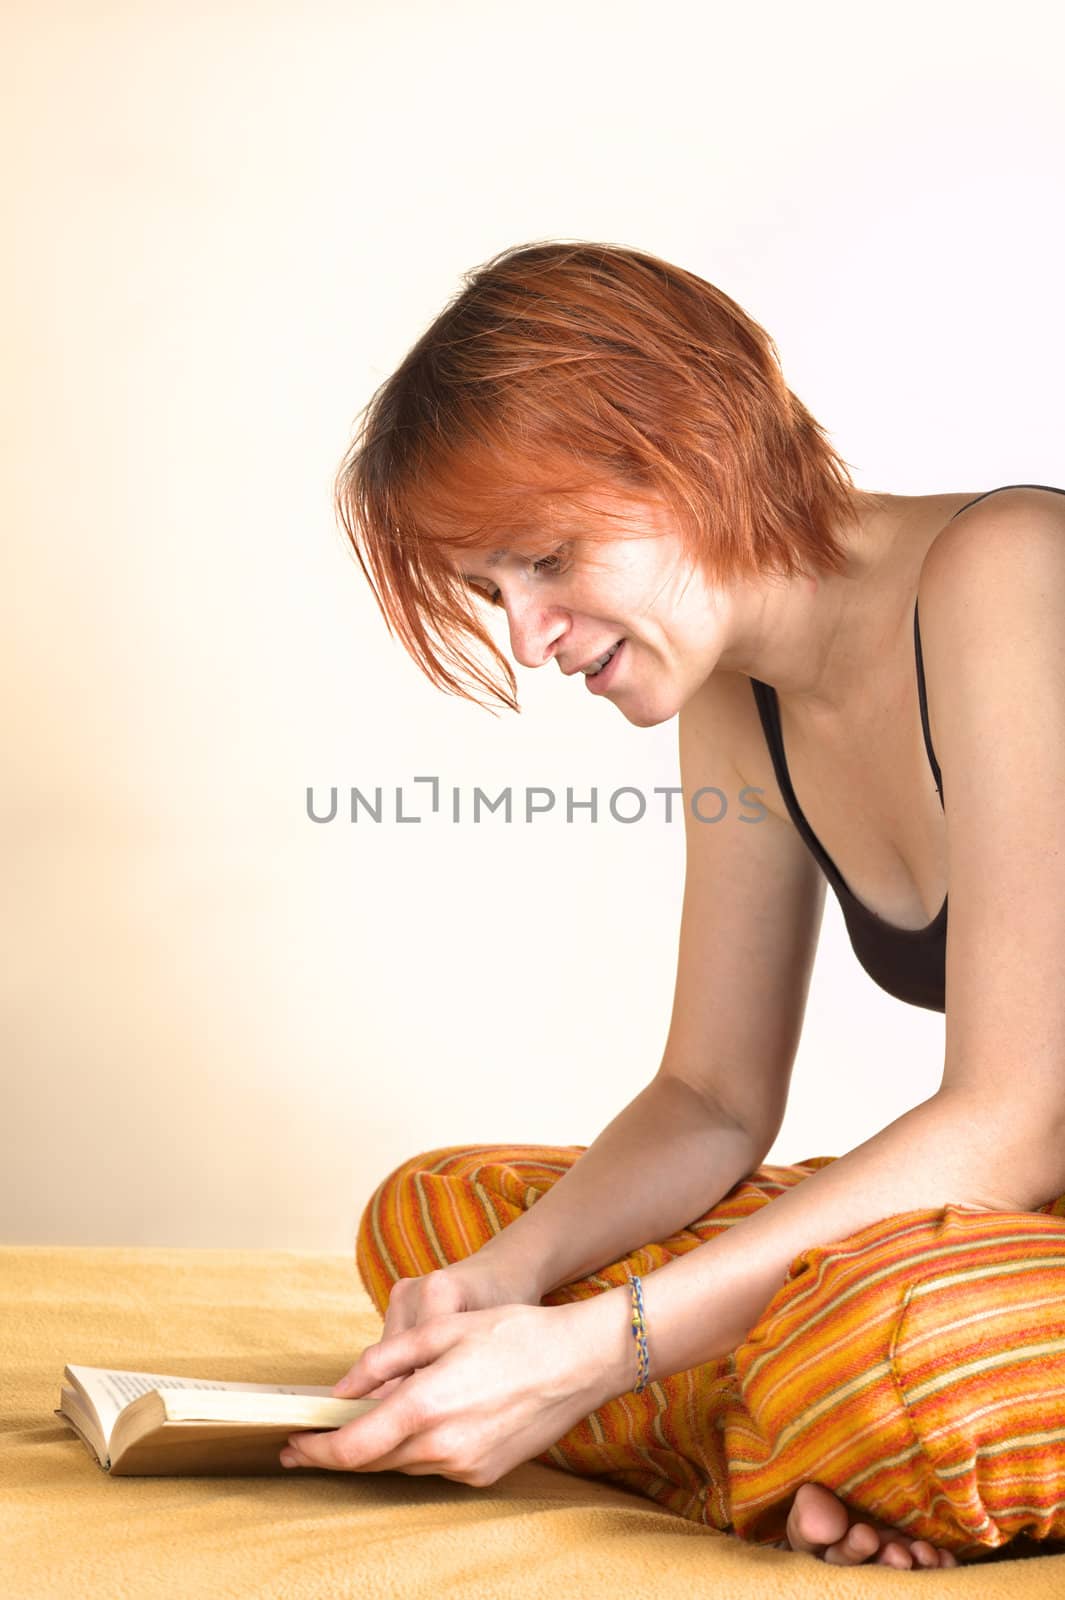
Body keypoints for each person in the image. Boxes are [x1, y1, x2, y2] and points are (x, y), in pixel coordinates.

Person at [279, 240, 1065, 1569]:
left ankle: (825, 1424)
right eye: (491, 591)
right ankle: (829, 1451)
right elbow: (707, 1099)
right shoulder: (729, 691)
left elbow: (1017, 1116)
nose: (528, 640)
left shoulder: (1010, 571)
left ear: (689, 450)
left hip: (1004, 1208)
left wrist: (600, 1346)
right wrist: (516, 1284)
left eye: (545, 558)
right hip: (1020, 1240)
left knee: (887, 1332)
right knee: (433, 1223)